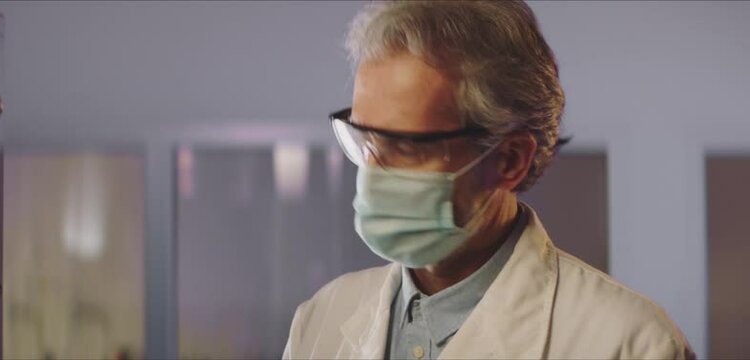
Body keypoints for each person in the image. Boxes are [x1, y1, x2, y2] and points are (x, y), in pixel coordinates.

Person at [283, 1, 694, 359]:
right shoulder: (320, 319)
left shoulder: (630, 343)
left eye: (406, 144)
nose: (372, 170)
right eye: (364, 138)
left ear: (510, 159)